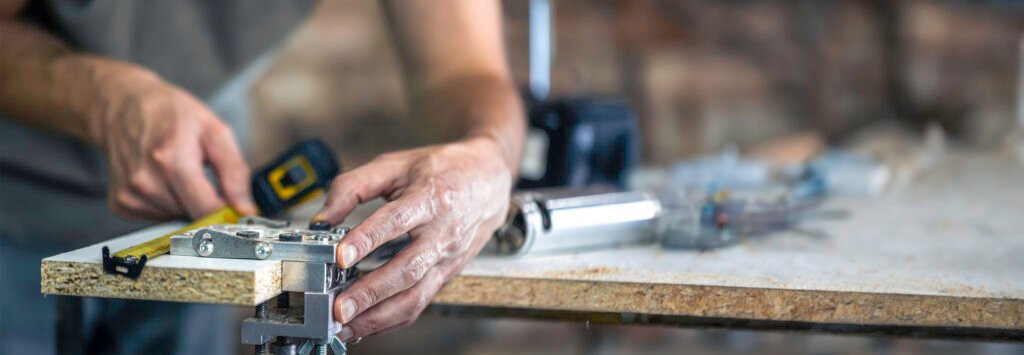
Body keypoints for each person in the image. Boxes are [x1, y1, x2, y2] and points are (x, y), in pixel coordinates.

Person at [0, 0, 524, 353]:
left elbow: (465, 72)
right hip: (16, 208)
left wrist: (486, 157)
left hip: (191, 220)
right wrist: (105, 99)